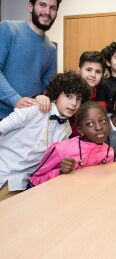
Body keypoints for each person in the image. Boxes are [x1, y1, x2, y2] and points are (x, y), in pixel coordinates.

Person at [0, 71, 91, 201]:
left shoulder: (67, 131)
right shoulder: (36, 108)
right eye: (69, 96)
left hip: (17, 184)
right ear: (56, 95)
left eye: (79, 99)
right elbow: (2, 127)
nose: (74, 103)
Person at [0, 0, 62, 119]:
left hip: (29, 118)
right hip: (3, 116)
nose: (47, 11)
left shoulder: (51, 49)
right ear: (30, 6)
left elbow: (49, 89)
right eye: (42, 5)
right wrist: (15, 99)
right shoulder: (8, 29)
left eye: (53, 8)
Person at [29, 102, 114, 186]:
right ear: (80, 130)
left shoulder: (108, 152)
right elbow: (34, 181)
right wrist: (60, 172)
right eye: (90, 124)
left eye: (102, 121)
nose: (99, 127)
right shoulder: (61, 149)